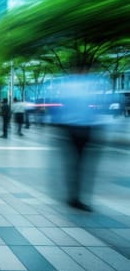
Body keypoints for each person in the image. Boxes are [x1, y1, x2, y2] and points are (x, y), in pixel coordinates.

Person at [51, 74, 100, 212]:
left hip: (74, 128)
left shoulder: (67, 85)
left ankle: (74, 196)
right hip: (79, 129)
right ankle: (75, 197)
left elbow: (57, 108)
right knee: (79, 164)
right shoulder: (88, 85)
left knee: (75, 164)